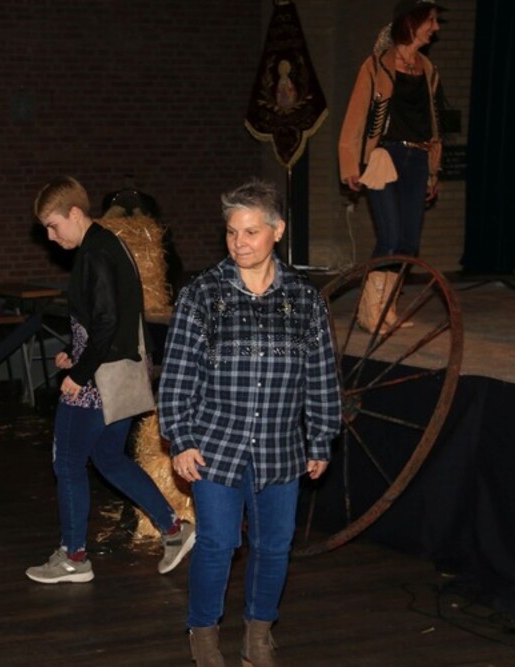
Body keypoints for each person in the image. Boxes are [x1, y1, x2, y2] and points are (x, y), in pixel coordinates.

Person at [158, 180, 341, 667]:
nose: (239, 242)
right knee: (218, 544)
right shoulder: (202, 295)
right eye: (232, 232)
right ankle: (203, 634)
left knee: (274, 547)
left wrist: (321, 438)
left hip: (281, 448)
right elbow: (177, 375)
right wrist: (181, 438)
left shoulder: (305, 300)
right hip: (215, 446)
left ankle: (259, 634)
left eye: (251, 232)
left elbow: (321, 374)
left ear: (277, 231)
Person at [25, 176, 195, 584]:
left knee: (68, 462)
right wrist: (74, 350)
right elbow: (106, 319)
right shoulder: (106, 245)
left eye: (53, 226)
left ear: (75, 213)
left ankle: (74, 556)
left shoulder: (96, 252)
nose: (50, 237)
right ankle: (174, 529)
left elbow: (105, 323)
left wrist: (79, 373)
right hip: (118, 373)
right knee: (109, 458)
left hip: (98, 380)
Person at [338, 0, 445, 332]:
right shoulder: (375, 66)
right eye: (431, 20)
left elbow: (433, 123)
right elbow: (356, 117)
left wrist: (432, 171)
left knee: (408, 242)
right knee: (390, 236)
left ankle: (388, 308)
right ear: (412, 23)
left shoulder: (428, 69)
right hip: (384, 157)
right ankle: (370, 312)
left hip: (417, 158)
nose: (435, 28)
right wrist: (350, 164)